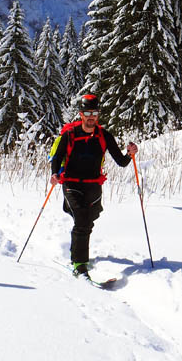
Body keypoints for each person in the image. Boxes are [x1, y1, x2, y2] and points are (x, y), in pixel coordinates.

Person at [49, 92, 137, 277]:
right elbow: (57, 157)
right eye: (87, 114)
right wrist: (54, 174)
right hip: (72, 183)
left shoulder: (104, 135)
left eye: (94, 113)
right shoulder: (70, 134)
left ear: (98, 115)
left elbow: (120, 161)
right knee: (82, 218)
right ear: (81, 114)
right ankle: (80, 265)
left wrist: (130, 154)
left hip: (93, 185)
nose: (91, 118)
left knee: (89, 219)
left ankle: (75, 255)